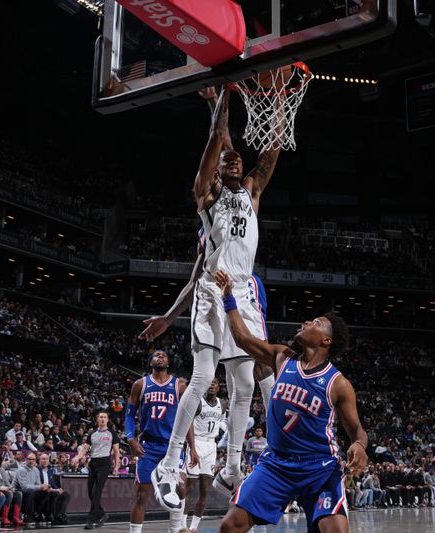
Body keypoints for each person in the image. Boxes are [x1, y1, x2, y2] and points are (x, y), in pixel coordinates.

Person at [152, 86, 281, 511]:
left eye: (237, 157)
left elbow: (267, 156)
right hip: (212, 289)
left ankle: (232, 466)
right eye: (227, 158)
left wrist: (279, 108)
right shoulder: (207, 199)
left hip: (242, 291)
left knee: (244, 384)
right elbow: (216, 141)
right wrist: (222, 98)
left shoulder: (250, 193)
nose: (234, 158)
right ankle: (169, 463)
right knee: (205, 377)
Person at [214, 269, 368, 533]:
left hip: (319, 467)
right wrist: (228, 296)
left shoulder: (338, 384)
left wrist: (359, 446)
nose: (307, 322)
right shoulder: (282, 358)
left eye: (316, 322)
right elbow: (242, 339)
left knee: (336, 531)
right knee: (231, 525)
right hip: (277, 463)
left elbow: (357, 431)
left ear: (326, 340)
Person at [126, 351, 198, 533]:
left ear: (168, 362)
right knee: (142, 494)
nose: (160, 357)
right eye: (156, 355)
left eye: (164, 355)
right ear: (150, 361)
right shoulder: (140, 384)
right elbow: (129, 414)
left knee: (181, 490)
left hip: (173, 446)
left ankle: (174, 529)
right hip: (148, 446)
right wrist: (130, 438)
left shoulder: (179, 385)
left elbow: (187, 419)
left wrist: (193, 448)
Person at [184, 378, 226, 533]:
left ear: (218, 387)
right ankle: (181, 524)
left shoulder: (222, 404)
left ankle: (193, 527)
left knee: (205, 490)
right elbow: (188, 424)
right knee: (188, 487)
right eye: (208, 383)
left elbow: (221, 422)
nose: (211, 385)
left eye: (214, 383)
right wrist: (192, 448)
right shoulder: (198, 402)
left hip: (211, 446)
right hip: (197, 443)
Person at [72, 412, 120, 529]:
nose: (102, 419)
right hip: (93, 463)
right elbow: (85, 449)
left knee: (96, 492)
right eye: (100, 417)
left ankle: (91, 520)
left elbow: (116, 451)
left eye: (104, 417)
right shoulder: (92, 433)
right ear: (97, 419)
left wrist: (117, 466)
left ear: (108, 419)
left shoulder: (112, 433)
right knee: (90, 492)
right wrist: (77, 457)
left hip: (104, 463)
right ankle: (102, 514)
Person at [0, 452, 24, 527]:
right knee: (9, 494)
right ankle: (4, 517)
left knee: (19, 493)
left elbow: (6, 482)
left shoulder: (1, 469)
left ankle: (16, 517)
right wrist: (3, 488)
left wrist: (10, 488)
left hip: (5, 488)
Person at [38, 453, 70, 525]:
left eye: (46, 459)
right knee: (54, 493)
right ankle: (53, 515)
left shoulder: (49, 471)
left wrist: (58, 489)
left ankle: (60, 515)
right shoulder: (37, 470)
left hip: (51, 490)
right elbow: (37, 483)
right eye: (43, 459)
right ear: (39, 460)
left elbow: (53, 484)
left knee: (66, 495)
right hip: (41, 490)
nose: (45, 461)